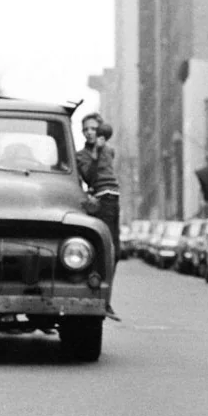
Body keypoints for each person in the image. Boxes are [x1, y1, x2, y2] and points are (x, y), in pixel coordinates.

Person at [76, 113, 121, 317]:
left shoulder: (109, 150)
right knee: (105, 250)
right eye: (86, 129)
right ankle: (101, 300)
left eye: (93, 129)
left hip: (113, 199)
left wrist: (101, 149)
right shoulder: (81, 155)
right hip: (100, 201)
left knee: (115, 253)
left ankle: (105, 299)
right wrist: (94, 152)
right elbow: (89, 178)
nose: (90, 133)